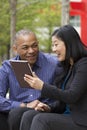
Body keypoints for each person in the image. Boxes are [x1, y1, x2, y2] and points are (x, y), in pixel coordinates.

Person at [23, 25, 87, 130]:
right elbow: (63, 102)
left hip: (81, 121)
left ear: (68, 43)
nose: (54, 49)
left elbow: (72, 96)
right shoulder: (68, 66)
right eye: (53, 45)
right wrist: (48, 108)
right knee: (28, 115)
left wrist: (42, 86)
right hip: (67, 116)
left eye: (56, 44)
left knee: (41, 120)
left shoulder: (84, 64)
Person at [0, 29, 63, 130]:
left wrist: (47, 106)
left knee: (18, 114)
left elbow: (62, 95)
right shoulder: (7, 67)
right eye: (25, 47)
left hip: (43, 110)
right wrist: (24, 105)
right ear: (15, 49)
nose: (31, 51)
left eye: (34, 45)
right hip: (16, 111)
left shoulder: (54, 64)